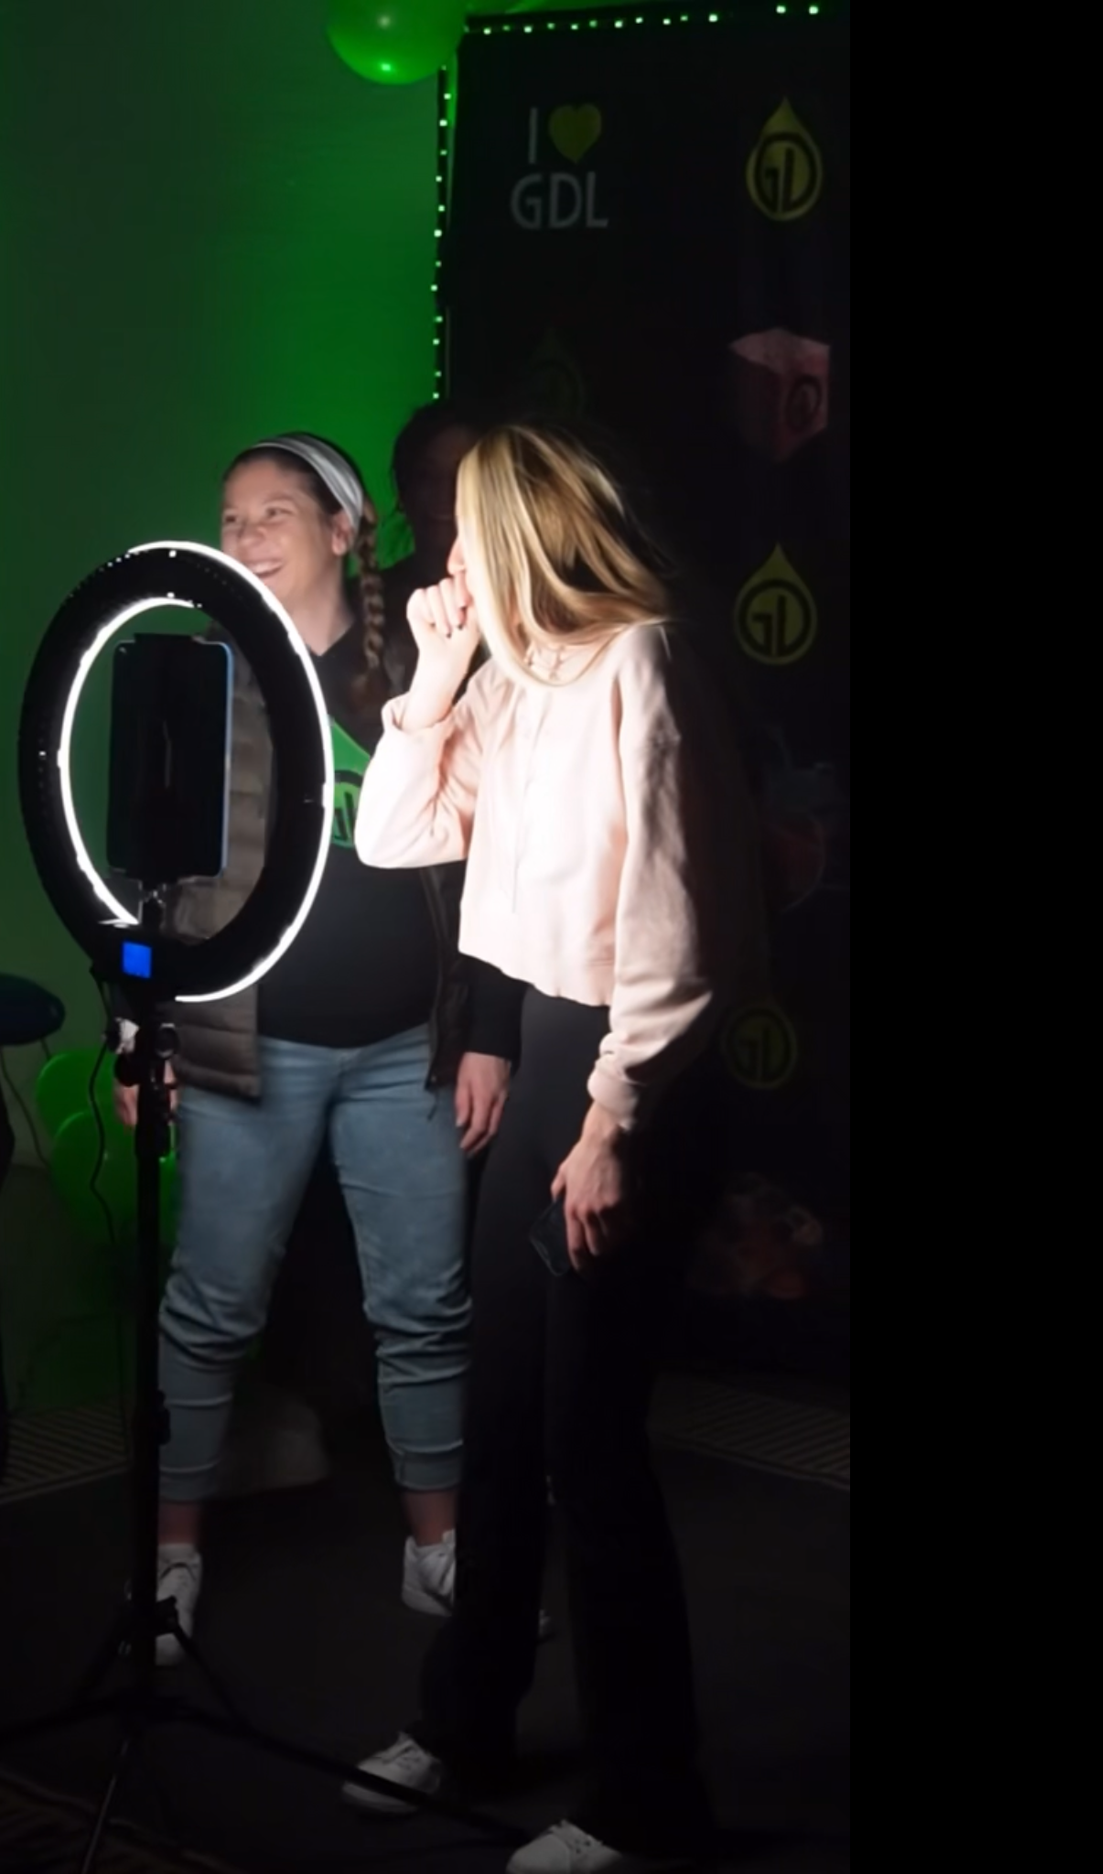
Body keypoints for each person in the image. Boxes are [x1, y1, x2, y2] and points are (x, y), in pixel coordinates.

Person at [342, 419, 765, 1873]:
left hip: (629, 1075)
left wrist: (608, 1126)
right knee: (506, 1422)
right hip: (544, 1063)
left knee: (592, 1447)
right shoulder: (515, 677)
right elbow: (393, 836)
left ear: (513, 535)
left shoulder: (637, 661)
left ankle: (650, 1800)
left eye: (457, 533)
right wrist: (442, 673)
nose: (437, 558)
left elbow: (680, 935)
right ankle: (466, 1723)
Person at [113, 431, 528, 1665]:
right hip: (252, 1049)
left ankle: (436, 1549)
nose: (245, 534)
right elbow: (141, 878)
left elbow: (495, 854)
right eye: (230, 514)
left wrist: (489, 1036)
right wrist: (140, 1028)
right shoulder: (197, 673)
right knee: (210, 1308)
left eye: (276, 510)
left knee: (424, 1306)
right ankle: (170, 1557)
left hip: (410, 1044)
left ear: (346, 529)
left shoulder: (429, 660)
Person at [379, 400, 486, 627]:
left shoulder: (528, 602)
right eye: (427, 475)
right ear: (404, 489)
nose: (444, 491)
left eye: (461, 475)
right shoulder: (367, 604)